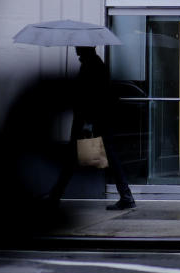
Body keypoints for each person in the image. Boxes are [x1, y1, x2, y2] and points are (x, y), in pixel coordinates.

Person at [47, 46, 135, 210]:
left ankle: (55, 196)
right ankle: (55, 195)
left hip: (91, 120)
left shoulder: (93, 66)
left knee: (78, 157)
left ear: (85, 48)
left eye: (78, 46)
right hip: (93, 119)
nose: (75, 49)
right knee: (83, 157)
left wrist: (88, 121)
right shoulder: (92, 64)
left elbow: (92, 95)